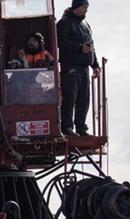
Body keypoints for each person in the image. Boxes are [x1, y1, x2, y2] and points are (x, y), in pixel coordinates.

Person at [57, 0, 100, 136]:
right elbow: (61, 43)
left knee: (84, 99)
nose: (86, 10)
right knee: (70, 97)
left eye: (87, 7)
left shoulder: (85, 25)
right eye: (84, 7)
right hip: (70, 66)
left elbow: (91, 46)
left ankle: (81, 128)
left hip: (84, 67)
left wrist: (95, 65)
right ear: (76, 7)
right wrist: (80, 48)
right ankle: (67, 127)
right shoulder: (64, 23)